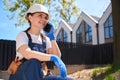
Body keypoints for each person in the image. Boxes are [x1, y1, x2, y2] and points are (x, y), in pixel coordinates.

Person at [9, 3, 74, 80]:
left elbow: (57, 56)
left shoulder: (45, 39)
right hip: (20, 76)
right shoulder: (23, 35)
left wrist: (52, 37)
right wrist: (52, 57)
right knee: (34, 63)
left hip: (39, 75)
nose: (44, 19)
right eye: (40, 15)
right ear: (30, 17)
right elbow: (27, 53)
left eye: (46, 17)